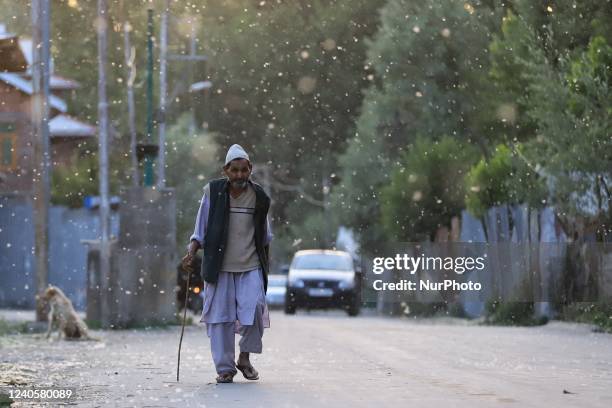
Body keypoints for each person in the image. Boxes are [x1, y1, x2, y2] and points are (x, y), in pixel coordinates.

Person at [181, 144, 273, 384]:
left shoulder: (260, 197)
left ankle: (244, 357)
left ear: (250, 169)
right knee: (220, 318)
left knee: (254, 308)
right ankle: (225, 369)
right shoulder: (213, 193)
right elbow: (199, 231)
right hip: (219, 266)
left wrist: (266, 269)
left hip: (250, 265)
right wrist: (191, 253)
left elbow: (265, 237)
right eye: (235, 170)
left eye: (244, 170)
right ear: (226, 170)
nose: (240, 175)